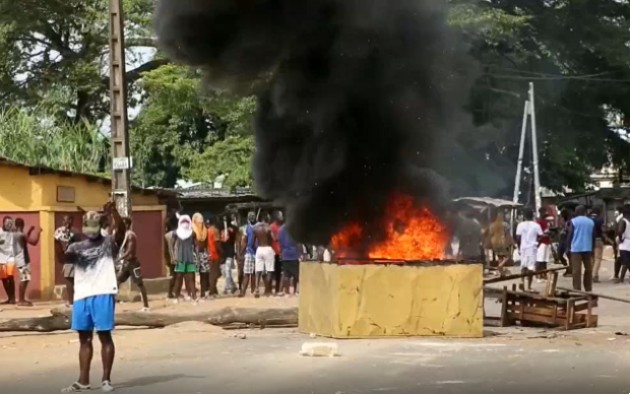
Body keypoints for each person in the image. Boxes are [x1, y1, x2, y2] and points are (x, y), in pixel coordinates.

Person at [59, 203, 125, 393]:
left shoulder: (108, 243)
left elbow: (121, 230)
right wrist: (56, 241)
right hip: (82, 295)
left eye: (94, 224)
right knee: (84, 338)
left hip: (103, 292)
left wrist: (114, 214)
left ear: (99, 225)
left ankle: (106, 379)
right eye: (87, 224)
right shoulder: (76, 246)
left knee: (104, 336)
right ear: (84, 225)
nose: (90, 229)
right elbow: (63, 260)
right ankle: (83, 380)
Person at [116, 217, 149, 311]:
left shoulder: (130, 235)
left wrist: (119, 259)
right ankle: (113, 301)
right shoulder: (125, 235)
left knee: (140, 284)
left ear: (126, 224)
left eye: (122, 223)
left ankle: (146, 306)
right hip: (126, 263)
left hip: (133, 263)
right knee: (117, 281)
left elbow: (130, 251)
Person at [13, 218, 42, 306]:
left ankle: (21, 299)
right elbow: (33, 242)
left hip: (19, 259)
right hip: (23, 259)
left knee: (25, 278)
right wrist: (38, 232)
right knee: (24, 279)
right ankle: (21, 300)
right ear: (22, 225)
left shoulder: (16, 234)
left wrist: (30, 230)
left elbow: (25, 240)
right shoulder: (21, 235)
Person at [567, 205, 595, 292]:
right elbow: (593, 235)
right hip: (587, 247)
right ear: (584, 212)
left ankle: (577, 289)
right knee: (588, 269)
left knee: (576, 270)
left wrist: (568, 247)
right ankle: (588, 288)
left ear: (576, 212)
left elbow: (570, 234)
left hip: (576, 248)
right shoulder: (591, 222)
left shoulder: (573, 221)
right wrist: (593, 248)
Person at [171, 215, 197, 303]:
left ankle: (194, 296)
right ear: (180, 223)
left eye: (186, 222)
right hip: (180, 258)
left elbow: (195, 246)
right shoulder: (176, 233)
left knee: (191, 277)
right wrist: (173, 256)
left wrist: (196, 256)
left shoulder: (192, 233)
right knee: (179, 278)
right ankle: (176, 296)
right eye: (183, 222)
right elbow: (172, 244)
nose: (185, 224)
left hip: (190, 258)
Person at [55, 216, 80, 306]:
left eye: (65, 220)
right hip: (70, 258)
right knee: (71, 279)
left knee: (70, 279)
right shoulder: (61, 231)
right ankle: (73, 300)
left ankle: (71, 301)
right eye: (63, 219)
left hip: (72, 257)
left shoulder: (73, 232)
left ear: (70, 221)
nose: (63, 221)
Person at [516, 208, 543, 291]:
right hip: (532, 248)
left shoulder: (520, 225)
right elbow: (541, 236)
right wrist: (538, 244)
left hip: (523, 248)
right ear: (532, 215)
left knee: (523, 266)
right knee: (530, 268)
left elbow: (518, 237)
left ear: (524, 216)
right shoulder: (536, 225)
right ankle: (529, 286)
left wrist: (519, 247)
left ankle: (522, 281)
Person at [254, 213, 275, 297]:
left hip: (259, 249)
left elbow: (254, 241)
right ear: (267, 219)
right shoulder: (268, 227)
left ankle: (256, 288)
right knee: (269, 270)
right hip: (267, 248)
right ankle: (267, 290)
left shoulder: (256, 228)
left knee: (258, 271)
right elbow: (274, 238)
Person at [278, 223, 300, 295]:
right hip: (294, 254)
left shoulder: (281, 229)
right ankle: (294, 291)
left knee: (286, 274)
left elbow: (280, 242)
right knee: (296, 274)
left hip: (285, 254)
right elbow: (297, 242)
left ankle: (287, 291)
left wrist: (281, 252)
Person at [590, 207, 610, 283]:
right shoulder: (600, 219)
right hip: (598, 239)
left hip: (589, 240)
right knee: (597, 258)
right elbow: (603, 230)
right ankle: (594, 275)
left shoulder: (588, 219)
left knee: (591, 258)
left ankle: (591, 274)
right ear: (599, 212)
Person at [239, 211, 258, 297]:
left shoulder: (252, 227)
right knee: (251, 273)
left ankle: (246, 291)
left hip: (254, 253)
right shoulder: (248, 228)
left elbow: (245, 241)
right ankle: (248, 291)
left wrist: (241, 252)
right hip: (251, 252)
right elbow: (246, 241)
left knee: (248, 273)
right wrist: (241, 251)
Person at [192, 213, 210, 299]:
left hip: (203, 254)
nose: (201, 221)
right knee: (192, 274)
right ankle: (193, 293)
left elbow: (206, 244)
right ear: (195, 220)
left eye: (201, 219)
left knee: (204, 274)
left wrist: (208, 254)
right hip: (194, 254)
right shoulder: (192, 230)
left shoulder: (205, 230)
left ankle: (203, 293)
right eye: (199, 220)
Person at [489, 211, 512, 276]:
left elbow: (490, 234)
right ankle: (499, 266)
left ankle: (501, 273)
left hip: (494, 243)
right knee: (508, 257)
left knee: (500, 258)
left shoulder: (492, 225)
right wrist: (511, 242)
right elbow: (508, 235)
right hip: (502, 242)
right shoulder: (506, 224)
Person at [219, 215, 237, 294]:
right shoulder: (220, 228)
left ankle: (226, 288)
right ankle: (233, 285)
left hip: (230, 251)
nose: (225, 221)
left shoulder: (232, 229)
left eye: (226, 219)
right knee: (225, 271)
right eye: (223, 219)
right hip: (223, 252)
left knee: (227, 269)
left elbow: (234, 237)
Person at [0, 216, 16, 304]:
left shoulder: (13, 232)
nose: (9, 225)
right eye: (7, 223)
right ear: (3, 223)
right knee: (4, 278)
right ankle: (9, 298)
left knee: (10, 276)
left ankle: (13, 298)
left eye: (11, 223)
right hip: (1, 257)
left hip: (11, 257)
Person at [205, 217, 221, 297]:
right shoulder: (215, 230)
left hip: (208, 253)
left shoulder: (207, 231)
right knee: (215, 273)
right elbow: (217, 243)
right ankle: (212, 291)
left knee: (212, 273)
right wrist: (221, 251)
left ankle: (214, 290)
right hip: (214, 254)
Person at [535, 207, 552, 281]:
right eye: (545, 212)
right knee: (540, 259)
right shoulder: (539, 222)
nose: (546, 213)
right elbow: (538, 233)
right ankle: (537, 274)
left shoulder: (546, 222)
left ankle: (544, 274)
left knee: (545, 260)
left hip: (547, 241)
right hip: (541, 242)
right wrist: (545, 234)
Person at [615, 205, 630, 283]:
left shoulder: (623, 221)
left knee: (625, 262)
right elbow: (620, 231)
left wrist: (621, 239)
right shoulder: (626, 221)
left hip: (624, 244)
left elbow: (620, 231)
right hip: (627, 243)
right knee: (626, 262)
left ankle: (621, 278)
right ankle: (621, 278)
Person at [164, 219, 178, 299]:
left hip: (171, 258)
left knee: (173, 275)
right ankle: (173, 292)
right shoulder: (178, 234)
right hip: (178, 258)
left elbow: (165, 250)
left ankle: (171, 292)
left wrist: (167, 260)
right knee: (177, 276)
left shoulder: (166, 236)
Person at [270, 211, 283, 294]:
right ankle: (270, 289)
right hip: (273, 252)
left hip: (280, 252)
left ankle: (277, 289)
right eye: (281, 215)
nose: (282, 217)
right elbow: (273, 238)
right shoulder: (271, 226)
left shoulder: (281, 227)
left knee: (278, 272)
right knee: (271, 271)